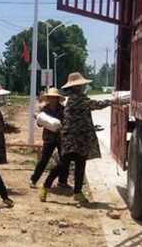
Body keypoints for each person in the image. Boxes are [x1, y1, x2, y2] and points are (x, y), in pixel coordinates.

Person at [39, 73, 121, 203]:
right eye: (81, 84)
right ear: (76, 86)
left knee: (80, 163)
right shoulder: (78, 99)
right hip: (73, 138)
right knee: (65, 162)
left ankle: (77, 192)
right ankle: (45, 186)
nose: (83, 86)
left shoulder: (74, 98)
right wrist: (114, 101)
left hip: (79, 137)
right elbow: (97, 104)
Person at [29, 88, 71, 189]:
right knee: (44, 159)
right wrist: (39, 119)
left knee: (64, 160)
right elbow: (39, 125)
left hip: (61, 138)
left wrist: (61, 128)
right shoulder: (44, 109)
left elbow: (66, 123)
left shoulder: (63, 110)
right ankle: (34, 180)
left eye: (54, 98)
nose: (52, 100)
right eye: (50, 98)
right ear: (48, 99)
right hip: (48, 138)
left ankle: (62, 181)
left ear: (57, 99)